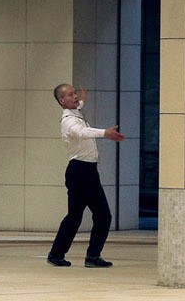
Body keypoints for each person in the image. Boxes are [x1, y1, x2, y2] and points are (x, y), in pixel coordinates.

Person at [47, 83, 124, 268]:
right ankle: (90, 256)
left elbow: (78, 105)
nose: (74, 97)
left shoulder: (75, 111)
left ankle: (59, 254)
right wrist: (105, 133)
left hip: (85, 171)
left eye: (75, 94)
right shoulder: (68, 121)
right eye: (70, 95)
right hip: (81, 172)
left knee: (76, 216)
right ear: (61, 101)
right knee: (102, 215)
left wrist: (82, 99)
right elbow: (81, 132)